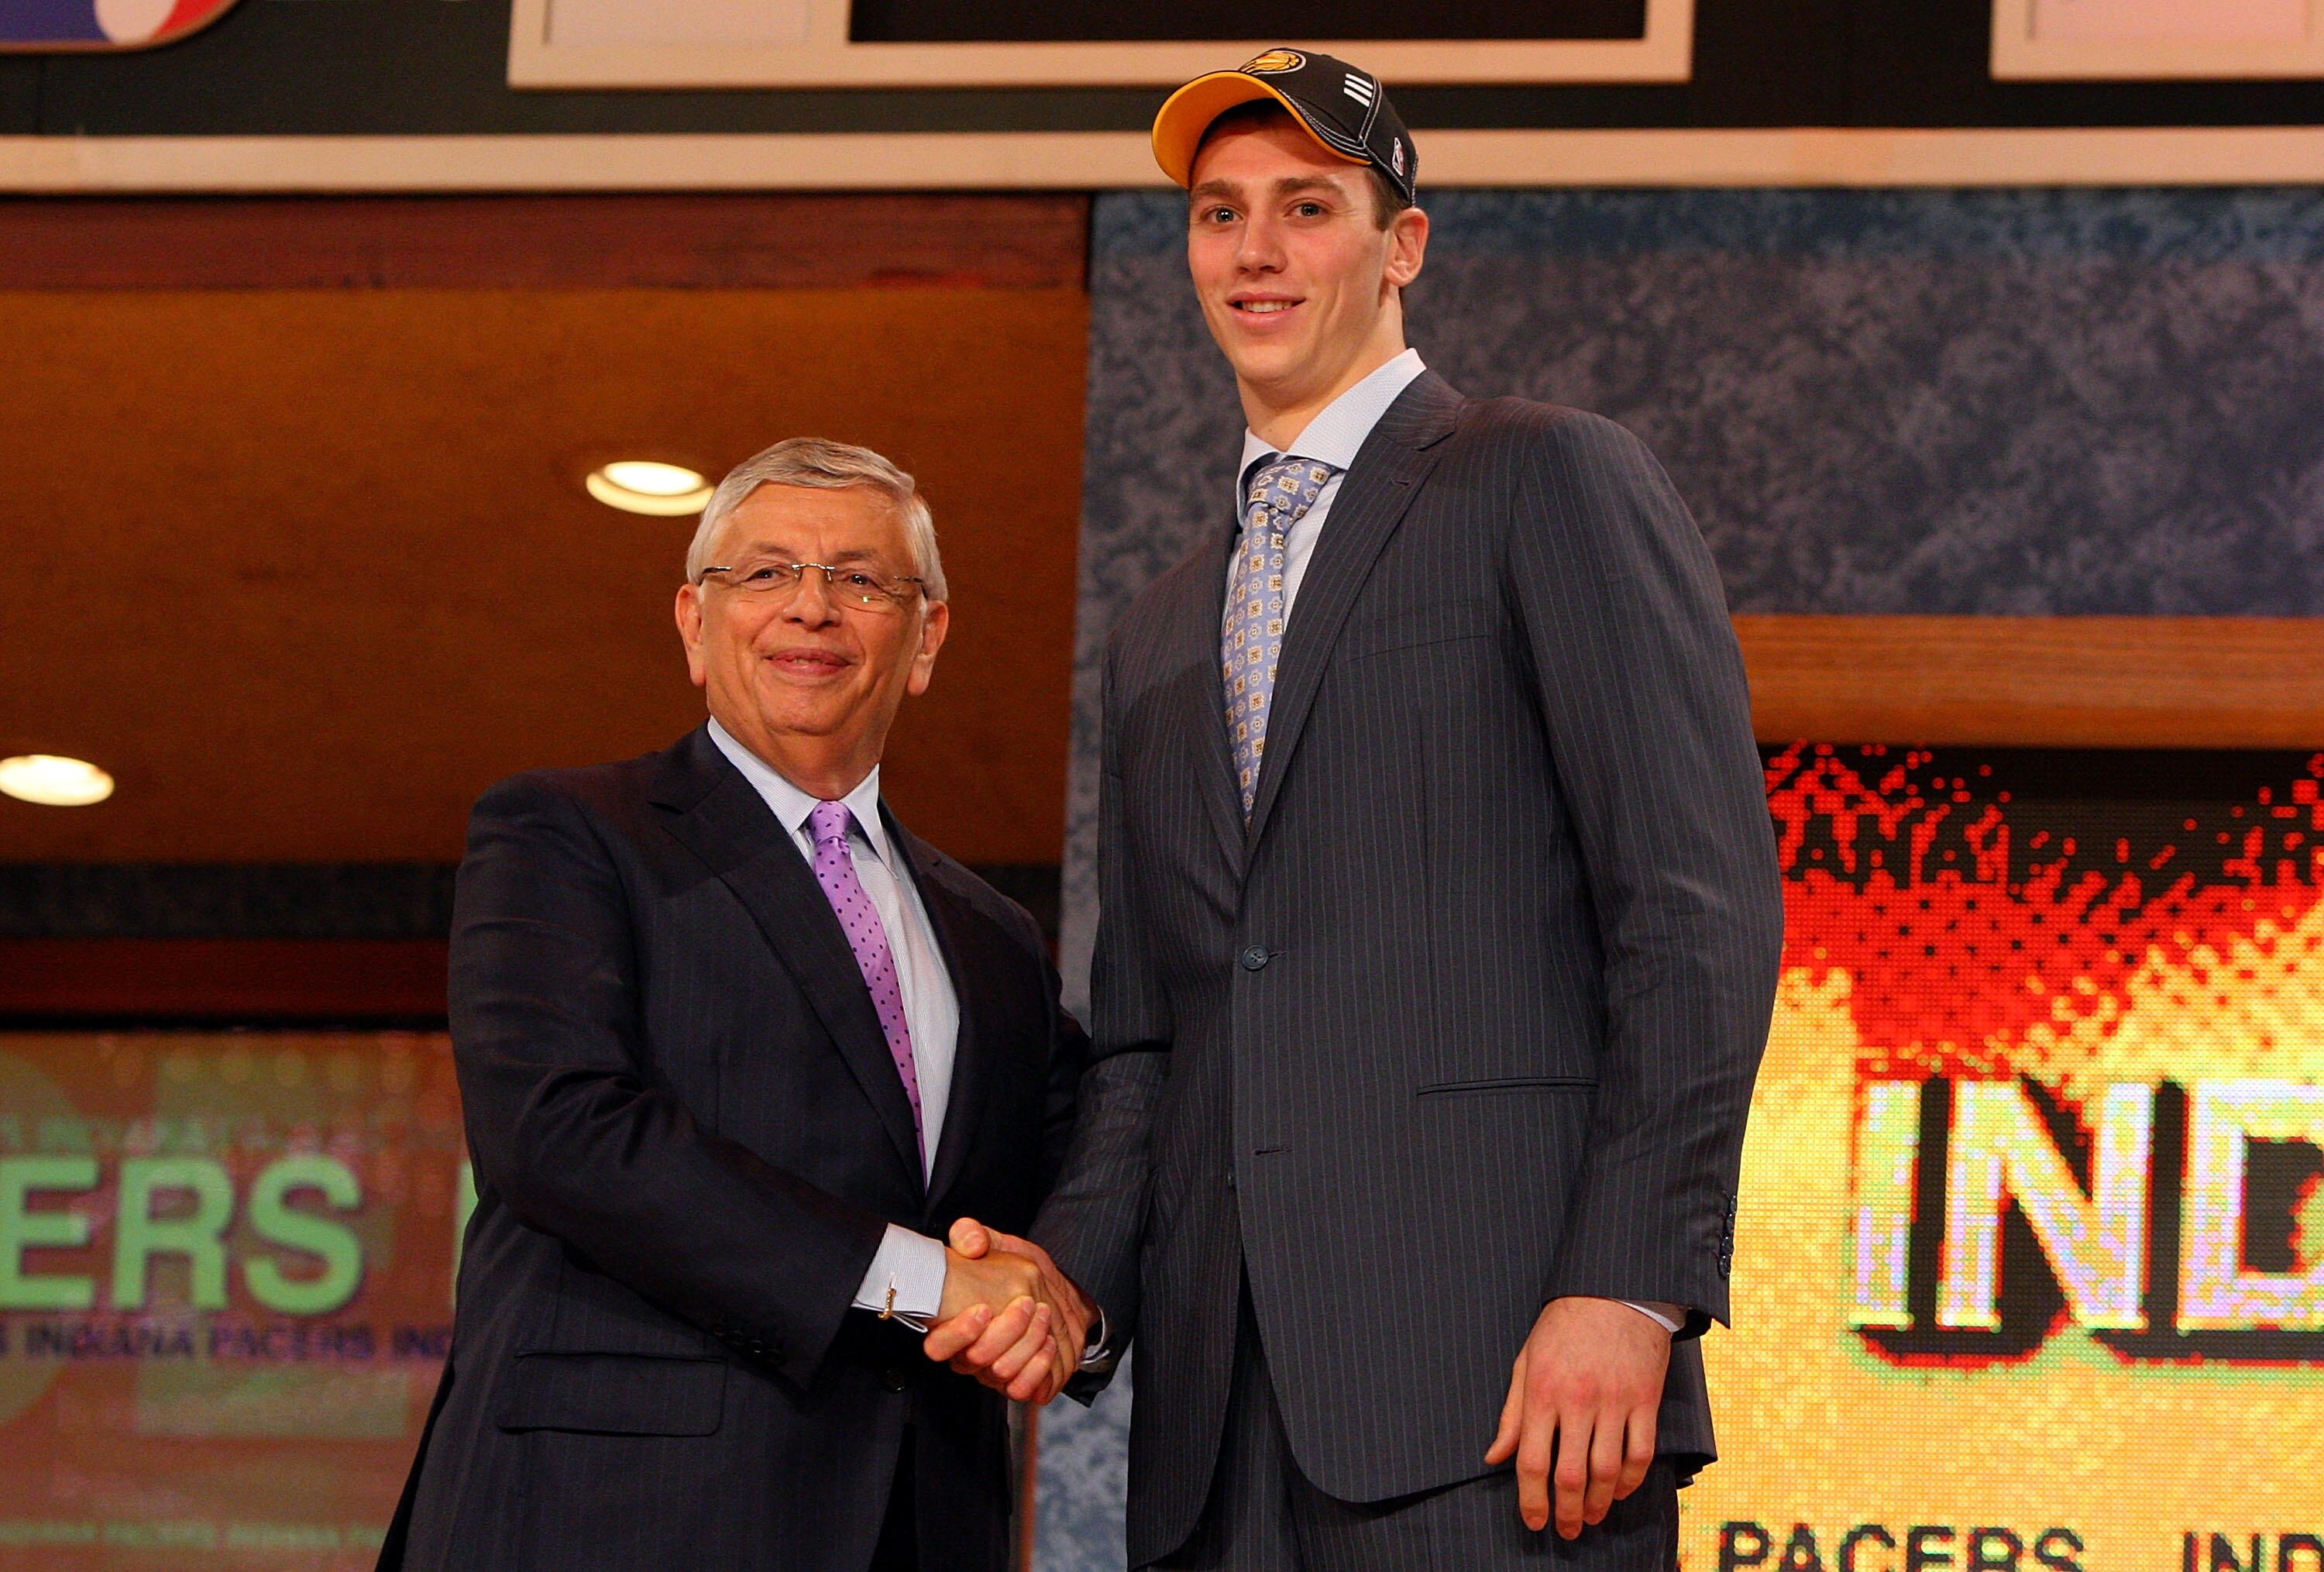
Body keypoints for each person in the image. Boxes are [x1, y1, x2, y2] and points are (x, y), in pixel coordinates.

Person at [937, 49, 1784, 1570]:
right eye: (1217, 213)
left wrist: (1631, 1285)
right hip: (1214, 1436)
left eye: (1305, 206)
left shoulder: (1546, 479)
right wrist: (1069, 1275)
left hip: (1508, 1399)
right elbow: (1145, 1043)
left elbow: (1696, 910)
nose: (1253, 251)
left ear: (1402, 246)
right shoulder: (1159, 625)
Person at [377, 439, 1090, 1572]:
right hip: (610, 1521)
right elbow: (559, 1133)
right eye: (764, 574)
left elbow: (1083, 1165)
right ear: (692, 625)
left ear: (926, 639)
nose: (811, 607)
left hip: (922, 1526)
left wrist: (1069, 1308)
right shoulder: (567, 835)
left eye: (862, 579)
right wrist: (916, 1279)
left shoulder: (991, 937)